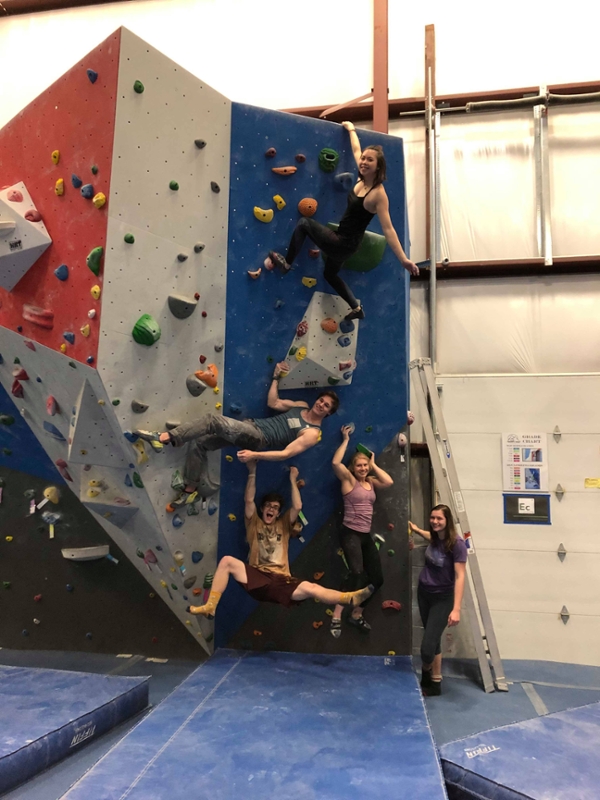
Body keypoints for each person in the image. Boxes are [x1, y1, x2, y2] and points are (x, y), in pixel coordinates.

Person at [266, 121, 419, 321]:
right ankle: (356, 308)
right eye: (363, 159)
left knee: (304, 223)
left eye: (369, 160)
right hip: (346, 244)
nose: (363, 162)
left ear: (378, 166)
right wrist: (351, 129)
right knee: (329, 275)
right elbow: (356, 149)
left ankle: (287, 263)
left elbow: (388, 229)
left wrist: (404, 260)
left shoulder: (378, 195)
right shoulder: (362, 178)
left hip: (343, 243)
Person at [133, 361, 338, 503]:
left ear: (328, 413)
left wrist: (255, 455)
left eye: (326, 406)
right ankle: (190, 489)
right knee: (201, 443)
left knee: (212, 420)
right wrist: (276, 377)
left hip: (258, 438)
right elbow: (273, 402)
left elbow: (285, 454)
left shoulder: (311, 433)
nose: (321, 404)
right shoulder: (300, 405)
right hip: (251, 427)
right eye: (321, 400)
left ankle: (163, 438)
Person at [186, 461, 374, 617]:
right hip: (258, 576)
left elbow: (298, 506)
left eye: (275, 507)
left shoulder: (283, 525)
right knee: (227, 561)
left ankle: (349, 598)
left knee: (311, 588)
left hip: (281, 581)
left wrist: (292, 480)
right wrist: (252, 471)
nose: (271, 509)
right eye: (268, 506)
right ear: (263, 509)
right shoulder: (254, 523)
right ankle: (211, 605)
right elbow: (249, 500)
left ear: (278, 512)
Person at [329, 425, 393, 638]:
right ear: (353, 468)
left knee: (377, 579)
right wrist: (346, 439)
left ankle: (356, 614)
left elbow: (389, 481)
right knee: (356, 573)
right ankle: (337, 614)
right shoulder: (349, 481)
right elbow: (335, 463)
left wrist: (374, 464)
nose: (363, 468)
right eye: (360, 465)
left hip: (365, 535)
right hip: (350, 533)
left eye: (365, 465)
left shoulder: (371, 482)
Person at [409, 505, 467, 696]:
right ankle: (435, 682)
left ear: (447, 521)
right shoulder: (435, 537)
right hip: (424, 594)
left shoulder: (457, 544)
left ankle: (426, 671)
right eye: (432, 518)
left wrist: (456, 608)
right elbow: (429, 536)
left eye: (439, 519)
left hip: (443, 598)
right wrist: (416, 530)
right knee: (433, 639)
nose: (435, 521)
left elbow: (460, 576)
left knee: (427, 648)